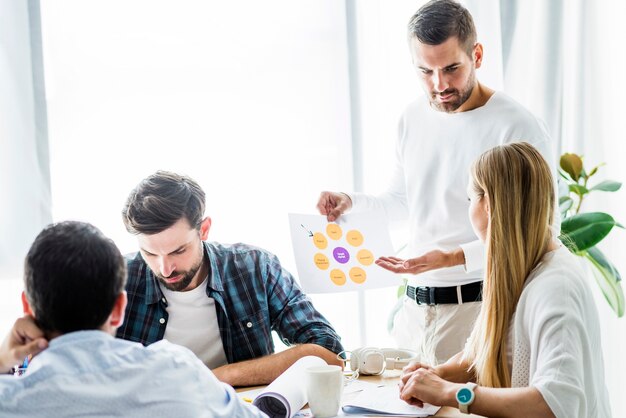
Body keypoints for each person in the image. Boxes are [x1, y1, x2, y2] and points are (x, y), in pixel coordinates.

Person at [316, 0, 555, 365]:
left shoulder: (517, 127)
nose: (439, 84)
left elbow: (539, 231)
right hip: (412, 312)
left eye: (451, 68)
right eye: (425, 71)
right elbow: (403, 201)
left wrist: (452, 258)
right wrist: (351, 201)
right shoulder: (412, 117)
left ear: (477, 54)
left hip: (479, 308)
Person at [398, 142, 611, 418]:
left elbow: (554, 403)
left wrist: (452, 393)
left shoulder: (557, 288)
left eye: (470, 200)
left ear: (488, 204)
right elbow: (483, 354)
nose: (470, 209)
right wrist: (436, 375)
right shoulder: (523, 270)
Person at [0, 221, 266, 417]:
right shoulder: (179, 371)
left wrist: (2, 360)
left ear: (27, 306)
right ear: (119, 307)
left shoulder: (10, 401)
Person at [117, 171, 344, 386]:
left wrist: (218, 377)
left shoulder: (255, 268)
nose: (165, 269)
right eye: (150, 254)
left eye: (178, 251)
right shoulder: (118, 280)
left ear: (204, 230)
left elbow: (329, 352)